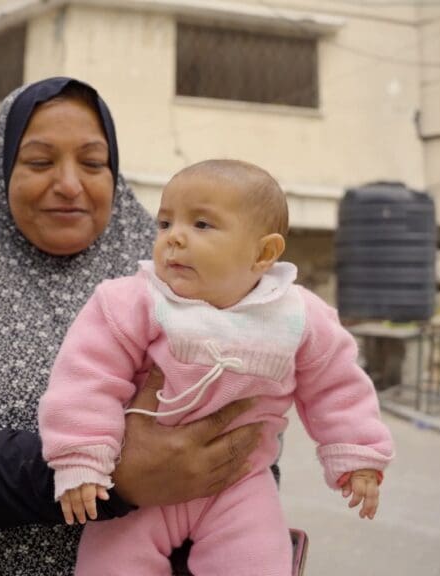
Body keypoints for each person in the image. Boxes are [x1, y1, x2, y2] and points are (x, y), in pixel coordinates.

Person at [0, 78, 265, 575]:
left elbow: (252, 407)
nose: (70, 184)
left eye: (93, 163)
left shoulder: (178, 270)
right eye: (39, 162)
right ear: (1, 171)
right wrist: (111, 475)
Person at [38, 159, 395, 575]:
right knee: (110, 565)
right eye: (166, 223)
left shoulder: (298, 316)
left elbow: (336, 386)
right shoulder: (134, 300)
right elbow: (87, 378)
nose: (174, 239)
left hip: (239, 482)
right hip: (142, 483)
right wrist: (81, 457)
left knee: (258, 563)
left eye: (202, 225)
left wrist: (358, 454)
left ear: (264, 253)